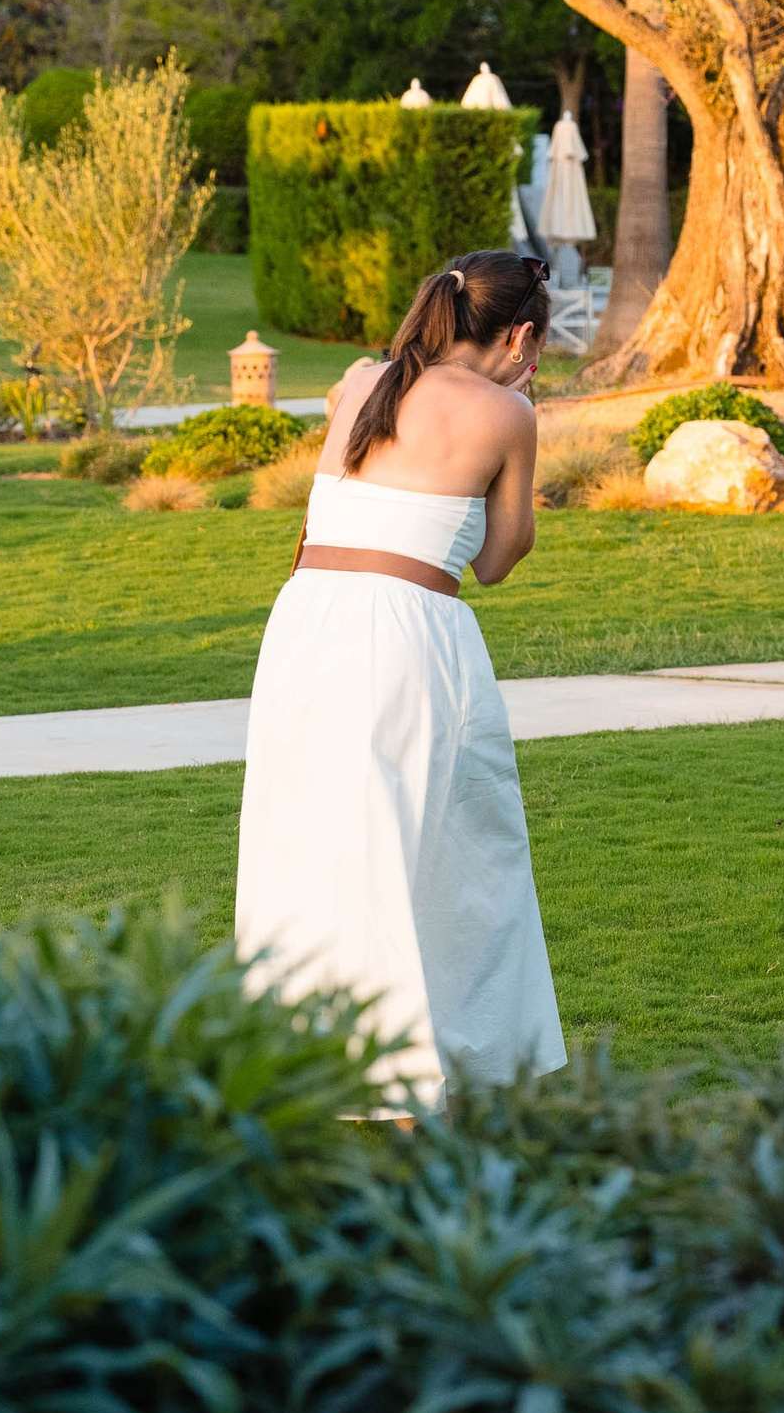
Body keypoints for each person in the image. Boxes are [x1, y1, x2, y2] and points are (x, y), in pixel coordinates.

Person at [237, 249, 567, 1110]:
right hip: (405, 634)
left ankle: (299, 1053)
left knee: (309, 843)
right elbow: (499, 560)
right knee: (450, 846)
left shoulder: (360, 382)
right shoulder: (508, 410)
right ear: (521, 335)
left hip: (308, 621)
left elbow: (321, 517)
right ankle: (425, 1063)